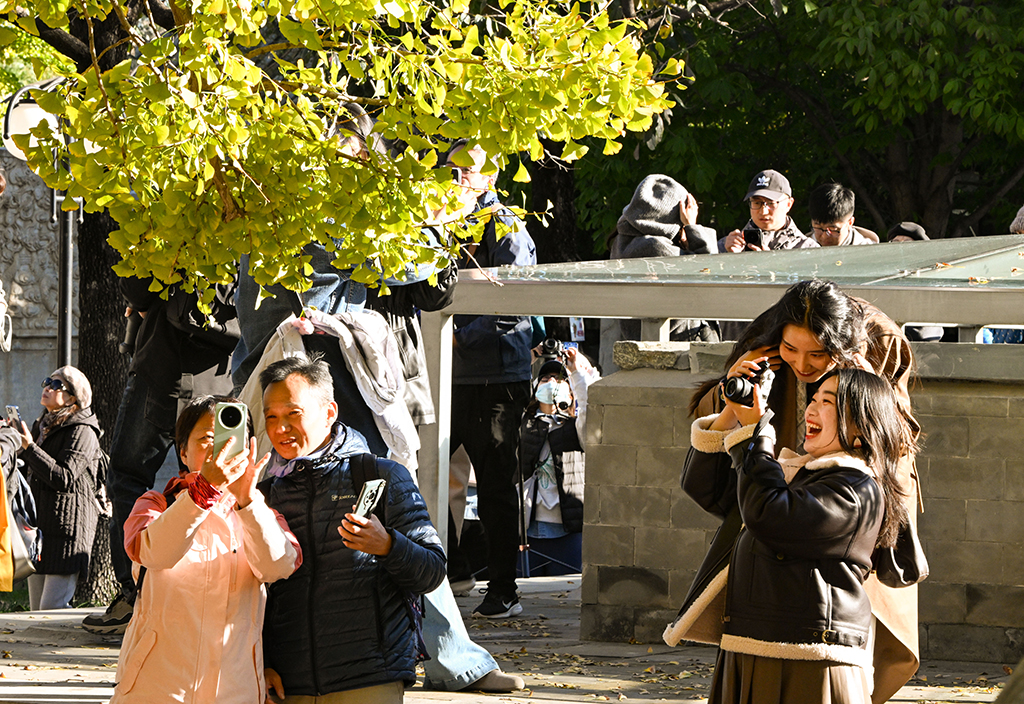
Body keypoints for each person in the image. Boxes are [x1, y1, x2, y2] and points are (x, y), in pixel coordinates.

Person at [685, 279, 922, 704]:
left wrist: (861, 393)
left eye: (817, 355)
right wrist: (730, 397)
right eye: (791, 351)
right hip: (772, 512)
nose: (803, 367)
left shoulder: (879, 342)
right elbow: (708, 484)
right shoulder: (762, 338)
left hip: (838, 519)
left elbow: (894, 439)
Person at [257, 356, 446, 702]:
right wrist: (262, 663)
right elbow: (254, 594)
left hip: (369, 678)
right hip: (288, 684)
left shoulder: (381, 475)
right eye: (271, 417)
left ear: (329, 413)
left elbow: (432, 571)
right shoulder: (264, 494)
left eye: (292, 414)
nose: (280, 428)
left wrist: (388, 545)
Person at [109, 396, 301, 702]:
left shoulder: (260, 513)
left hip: (233, 691)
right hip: (156, 688)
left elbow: (278, 566)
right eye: (206, 439)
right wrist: (203, 492)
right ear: (183, 452)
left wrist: (248, 502)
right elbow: (154, 552)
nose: (218, 449)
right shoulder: (156, 504)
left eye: (228, 439)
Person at [83, 279, 238, 634]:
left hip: (162, 371)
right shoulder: (253, 234)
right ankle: (199, 587)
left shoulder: (174, 227)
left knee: (127, 476)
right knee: (215, 484)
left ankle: (132, 593)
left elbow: (137, 287)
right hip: (217, 379)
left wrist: (146, 303)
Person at [445, 139, 537, 619]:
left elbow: (515, 303)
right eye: (452, 169)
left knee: (497, 484)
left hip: (496, 376)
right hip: (449, 376)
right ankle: (454, 568)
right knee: (429, 476)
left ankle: (504, 589)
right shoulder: (437, 222)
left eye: (469, 171)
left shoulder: (507, 226)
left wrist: (458, 338)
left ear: (491, 177)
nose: (458, 178)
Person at [14, 366, 102, 609]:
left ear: (73, 398)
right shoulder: (42, 426)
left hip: (67, 533)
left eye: (56, 385)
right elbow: (29, 472)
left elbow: (64, 477)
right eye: (46, 382)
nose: (47, 388)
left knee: (51, 609)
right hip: (40, 530)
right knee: (36, 612)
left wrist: (30, 448)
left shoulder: (83, 430)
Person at [608, 174, 719, 342]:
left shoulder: (623, 241)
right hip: (680, 344)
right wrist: (691, 226)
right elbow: (710, 269)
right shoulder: (654, 247)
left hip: (651, 338)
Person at [518, 347, 599, 576]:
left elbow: (589, 408)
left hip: (568, 531)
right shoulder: (524, 424)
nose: (552, 382)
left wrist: (577, 372)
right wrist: (531, 354)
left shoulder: (576, 427)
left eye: (559, 379)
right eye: (545, 378)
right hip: (527, 531)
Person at [718, 170, 818, 253]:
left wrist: (770, 267)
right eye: (757, 203)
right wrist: (728, 259)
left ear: (789, 204)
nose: (763, 211)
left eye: (771, 203)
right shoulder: (727, 245)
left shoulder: (806, 249)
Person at [807, 183, 879, 246]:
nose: (824, 236)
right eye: (818, 228)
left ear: (850, 222)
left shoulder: (868, 251)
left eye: (832, 229)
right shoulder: (802, 248)